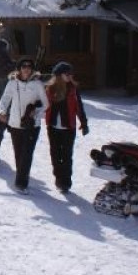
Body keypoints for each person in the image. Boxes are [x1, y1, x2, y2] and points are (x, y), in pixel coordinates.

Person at [0, 57, 49, 194]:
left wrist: (35, 113)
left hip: (32, 125)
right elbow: (4, 100)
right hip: (15, 124)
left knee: (27, 154)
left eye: (29, 67)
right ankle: (22, 176)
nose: (26, 69)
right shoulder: (12, 84)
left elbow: (46, 104)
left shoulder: (37, 84)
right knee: (19, 154)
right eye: (23, 66)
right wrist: (2, 111)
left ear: (32, 69)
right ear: (19, 69)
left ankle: (21, 183)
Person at [43, 61, 89, 193]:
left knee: (67, 155)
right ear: (58, 75)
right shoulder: (49, 89)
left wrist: (84, 123)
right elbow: (43, 105)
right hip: (53, 126)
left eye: (71, 73)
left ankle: (66, 183)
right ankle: (58, 178)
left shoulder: (73, 89)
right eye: (67, 73)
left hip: (69, 127)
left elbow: (79, 107)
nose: (70, 76)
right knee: (55, 154)